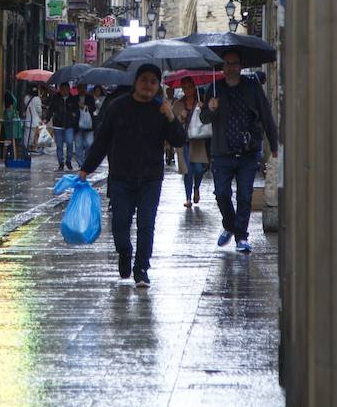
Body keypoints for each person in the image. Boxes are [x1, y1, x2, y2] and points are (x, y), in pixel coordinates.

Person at [78, 63, 187, 288]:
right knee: (120, 224)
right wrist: (86, 168)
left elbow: (179, 140)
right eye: (144, 80)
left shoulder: (161, 109)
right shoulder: (118, 107)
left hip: (150, 178)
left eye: (153, 82)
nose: (148, 85)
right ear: (136, 82)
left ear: (158, 86)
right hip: (121, 177)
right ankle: (125, 253)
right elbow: (103, 140)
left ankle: (142, 269)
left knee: (147, 225)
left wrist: (170, 116)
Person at [199, 50, 279, 253]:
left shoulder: (252, 87)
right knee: (221, 194)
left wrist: (275, 143)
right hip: (222, 153)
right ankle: (229, 225)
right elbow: (204, 119)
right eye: (227, 63)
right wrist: (210, 109)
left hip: (247, 152)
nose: (231, 67)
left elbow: (266, 114)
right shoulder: (214, 89)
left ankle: (241, 236)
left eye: (235, 63)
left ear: (241, 66)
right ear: (222, 67)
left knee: (245, 195)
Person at [173, 78, 210, 208]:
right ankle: (188, 198)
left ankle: (196, 188)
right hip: (183, 141)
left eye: (190, 87)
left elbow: (207, 119)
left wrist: (203, 109)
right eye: (185, 88)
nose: (188, 90)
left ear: (194, 87)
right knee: (187, 171)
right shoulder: (177, 104)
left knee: (199, 170)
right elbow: (172, 124)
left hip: (197, 141)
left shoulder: (200, 101)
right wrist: (180, 117)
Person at [72, 86, 98, 170]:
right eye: (80, 88)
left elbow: (93, 109)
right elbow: (71, 109)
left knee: (89, 144)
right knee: (78, 145)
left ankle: (87, 161)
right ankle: (81, 164)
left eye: (83, 87)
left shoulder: (90, 98)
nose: (82, 89)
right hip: (77, 125)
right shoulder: (74, 98)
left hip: (88, 125)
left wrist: (84, 107)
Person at [50, 81, 75, 169]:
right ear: (60, 90)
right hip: (58, 124)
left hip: (69, 125)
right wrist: (46, 118)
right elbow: (51, 109)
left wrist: (74, 119)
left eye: (66, 89)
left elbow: (76, 111)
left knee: (70, 142)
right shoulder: (55, 98)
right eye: (62, 89)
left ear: (69, 89)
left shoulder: (72, 99)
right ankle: (61, 162)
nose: (64, 91)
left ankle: (68, 160)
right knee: (59, 145)